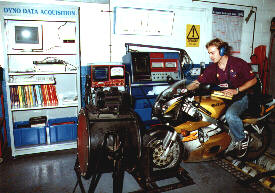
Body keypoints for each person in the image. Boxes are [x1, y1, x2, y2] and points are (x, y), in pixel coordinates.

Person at [186, 38, 257, 157]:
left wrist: (237, 90)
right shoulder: (212, 68)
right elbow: (197, 82)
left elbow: (253, 80)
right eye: (209, 53)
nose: (210, 56)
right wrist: (183, 90)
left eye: (212, 53)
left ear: (222, 51)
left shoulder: (238, 63)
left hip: (240, 98)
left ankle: (242, 139)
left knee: (230, 115)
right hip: (222, 98)